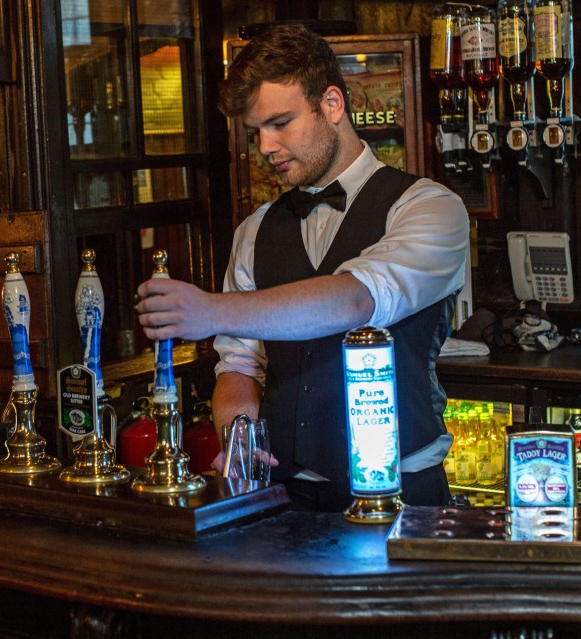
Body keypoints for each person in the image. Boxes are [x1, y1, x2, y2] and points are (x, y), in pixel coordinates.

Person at [135, 24, 469, 511]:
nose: (266, 147)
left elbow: (357, 300)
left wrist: (212, 310)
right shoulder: (255, 230)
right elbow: (240, 364)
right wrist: (238, 433)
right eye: (256, 132)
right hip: (283, 496)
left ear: (332, 104)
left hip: (404, 495)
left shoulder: (428, 207)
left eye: (280, 123)